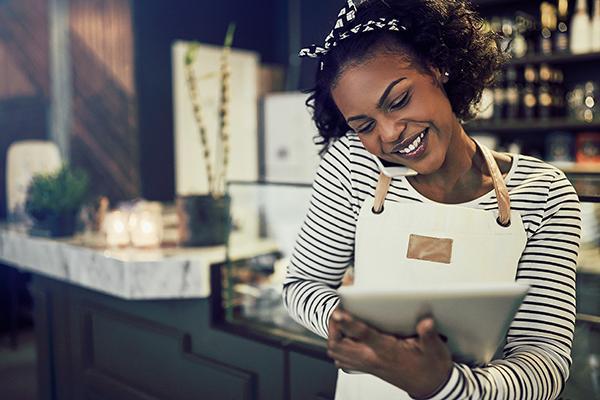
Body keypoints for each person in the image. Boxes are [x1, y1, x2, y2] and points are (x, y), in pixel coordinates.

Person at [282, 0, 582, 399]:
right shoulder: (352, 165)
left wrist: (446, 386)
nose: (389, 134)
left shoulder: (544, 192)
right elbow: (301, 286)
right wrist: (352, 326)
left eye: (399, 100)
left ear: (439, 67)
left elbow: (544, 357)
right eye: (365, 125)